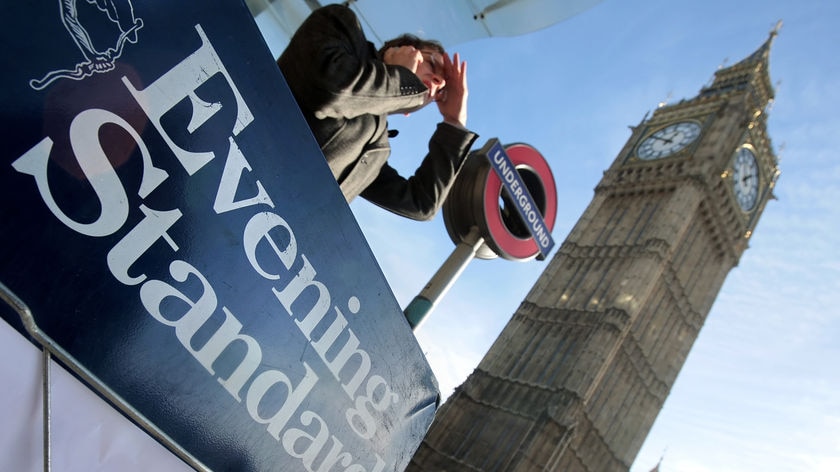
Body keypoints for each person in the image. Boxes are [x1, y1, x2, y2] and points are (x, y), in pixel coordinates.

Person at [277, 4, 478, 221]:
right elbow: (331, 88)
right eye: (432, 64)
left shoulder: (375, 154)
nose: (438, 83)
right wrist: (402, 79)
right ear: (403, 48)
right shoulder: (343, 24)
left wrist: (454, 122)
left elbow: (421, 203)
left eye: (441, 92)